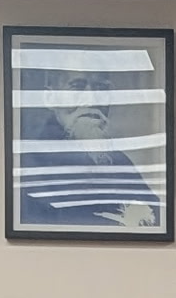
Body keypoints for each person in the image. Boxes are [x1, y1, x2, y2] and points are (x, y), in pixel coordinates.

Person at [13, 59, 162, 231]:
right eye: (77, 87)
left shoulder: (119, 161)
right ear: (50, 98)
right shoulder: (29, 163)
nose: (91, 100)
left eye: (101, 88)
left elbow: (157, 222)